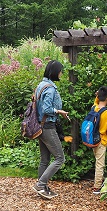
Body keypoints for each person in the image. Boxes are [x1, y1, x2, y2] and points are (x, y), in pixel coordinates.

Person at [33, 60, 70, 199]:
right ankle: (41, 184)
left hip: (40, 126)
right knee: (60, 158)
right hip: (47, 126)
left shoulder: (41, 85)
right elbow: (46, 109)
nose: (61, 73)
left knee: (45, 159)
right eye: (60, 71)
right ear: (55, 72)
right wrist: (59, 111)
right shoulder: (50, 88)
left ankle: (42, 188)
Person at [91, 86, 107, 195]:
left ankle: (98, 182)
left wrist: (97, 96)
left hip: (92, 139)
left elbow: (96, 102)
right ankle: (97, 187)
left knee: (97, 160)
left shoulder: (94, 107)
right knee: (100, 164)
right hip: (102, 140)